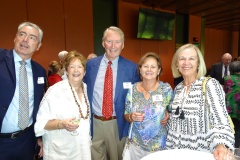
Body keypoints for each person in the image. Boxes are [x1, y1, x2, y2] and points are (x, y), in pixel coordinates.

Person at [167, 44, 234, 160]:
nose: (186, 62)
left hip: (201, 153)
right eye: (182, 58)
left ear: (198, 63)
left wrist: (221, 144)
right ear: (177, 64)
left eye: (191, 58)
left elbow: (220, 120)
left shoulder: (210, 85)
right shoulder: (178, 89)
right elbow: (178, 121)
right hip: (176, 153)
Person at [84, 26, 140, 160]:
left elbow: (138, 95)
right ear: (103, 43)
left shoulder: (132, 68)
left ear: (123, 44)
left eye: (117, 42)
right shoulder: (90, 65)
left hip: (118, 124)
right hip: (94, 123)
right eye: (109, 41)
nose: (113, 46)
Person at [0, 22, 46, 160]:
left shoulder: (40, 71)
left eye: (32, 37)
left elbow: (38, 107)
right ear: (15, 38)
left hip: (25, 142)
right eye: (22, 34)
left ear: (38, 46)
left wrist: (39, 137)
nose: (25, 40)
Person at [34, 50, 91, 160]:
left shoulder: (88, 90)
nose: (76, 70)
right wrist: (62, 123)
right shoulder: (55, 91)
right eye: (72, 66)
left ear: (84, 71)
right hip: (60, 153)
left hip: (82, 150)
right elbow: (41, 123)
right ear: (66, 70)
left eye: (79, 66)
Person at [124, 52, 173, 159]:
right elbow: (126, 115)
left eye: (153, 67)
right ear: (140, 70)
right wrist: (131, 116)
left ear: (158, 70)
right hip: (136, 146)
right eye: (145, 66)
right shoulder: (132, 90)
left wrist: (168, 115)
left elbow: (173, 111)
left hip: (158, 147)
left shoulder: (166, 89)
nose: (149, 69)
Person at [224, 61, 240, 148]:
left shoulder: (227, 78)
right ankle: (237, 146)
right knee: (238, 128)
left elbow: (225, 91)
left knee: (230, 127)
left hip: (230, 106)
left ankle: (229, 146)